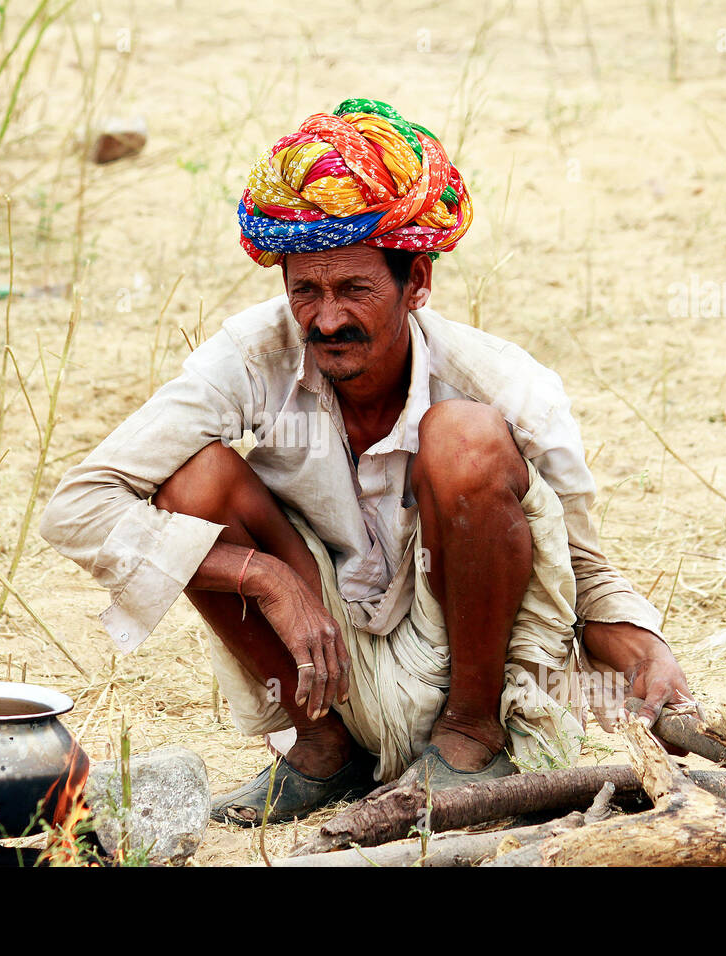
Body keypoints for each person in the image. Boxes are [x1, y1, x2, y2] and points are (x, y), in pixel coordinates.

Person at [40, 98, 692, 825]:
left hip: (472, 669)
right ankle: (323, 756)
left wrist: (643, 649)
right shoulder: (251, 355)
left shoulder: (507, 385)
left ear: (417, 283)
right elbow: (76, 508)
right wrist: (267, 578)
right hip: (325, 658)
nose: (325, 319)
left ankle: (471, 745)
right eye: (305, 291)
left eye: (354, 289)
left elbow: (581, 564)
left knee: (463, 441)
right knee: (196, 479)